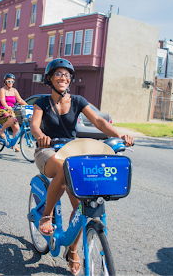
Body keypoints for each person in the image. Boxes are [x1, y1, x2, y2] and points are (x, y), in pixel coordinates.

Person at [30, 58, 134, 276]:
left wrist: (119, 134)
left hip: (71, 151)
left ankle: (73, 249)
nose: (63, 78)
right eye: (58, 74)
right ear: (50, 78)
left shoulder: (77, 100)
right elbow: (34, 126)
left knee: (81, 206)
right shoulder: (41, 101)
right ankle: (47, 214)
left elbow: (98, 122)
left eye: (67, 75)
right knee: (62, 168)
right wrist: (41, 138)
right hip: (48, 151)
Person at [0, 73, 27, 151]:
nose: (10, 83)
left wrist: (28, 106)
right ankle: (1, 131)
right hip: (0, 111)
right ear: (5, 81)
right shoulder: (2, 90)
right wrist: (6, 106)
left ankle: (13, 144)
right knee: (11, 118)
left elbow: (20, 100)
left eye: (12, 81)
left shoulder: (14, 90)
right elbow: (2, 100)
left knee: (17, 128)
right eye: (9, 81)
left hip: (10, 111)